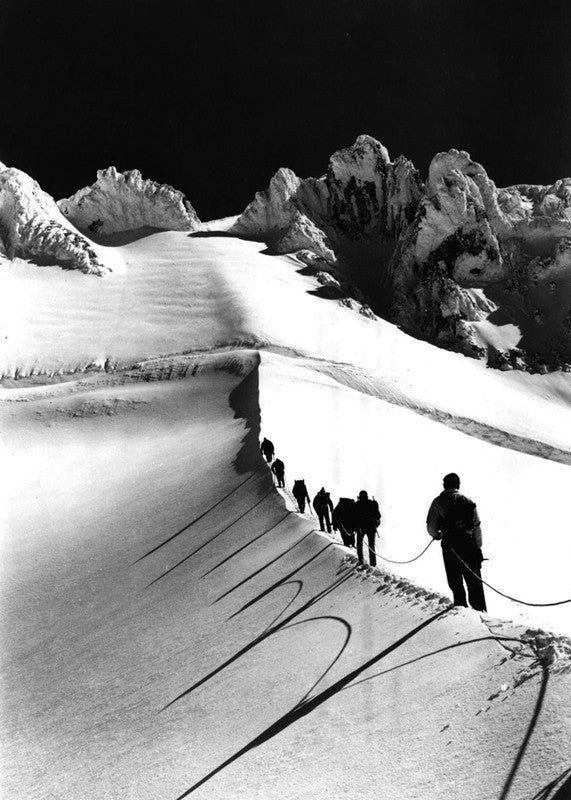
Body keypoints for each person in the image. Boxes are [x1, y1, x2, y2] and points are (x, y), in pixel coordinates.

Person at [426, 472, 487, 612]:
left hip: (449, 543)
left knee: (455, 579)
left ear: (444, 485)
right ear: (458, 484)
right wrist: (478, 547)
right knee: (473, 579)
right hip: (468, 543)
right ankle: (479, 611)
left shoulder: (438, 501)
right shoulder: (467, 500)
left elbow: (431, 526)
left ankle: (461, 607)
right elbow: (476, 525)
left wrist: (437, 535)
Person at [355, 490, 381, 566]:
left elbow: (354, 518)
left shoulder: (357, 504)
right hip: (371, 527)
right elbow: (378, 516)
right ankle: (373, 564)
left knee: (359, 545)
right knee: (371, 546)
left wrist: (356, 527)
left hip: (361, 528)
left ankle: (361, 561)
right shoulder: (372, 503)